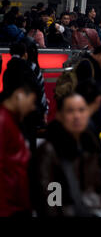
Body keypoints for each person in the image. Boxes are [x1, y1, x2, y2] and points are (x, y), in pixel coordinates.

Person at [35, 93, 101, 217]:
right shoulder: (49, 151)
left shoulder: (91, 144)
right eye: (70, 111)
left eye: (81, 110)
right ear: (59, 115)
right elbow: (50, 201)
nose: (77, 116)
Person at [0, 64, 37, 217]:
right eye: (32, 101)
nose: (32, 107)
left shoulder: (13, 121)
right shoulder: (3, 122)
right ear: (20, 94)